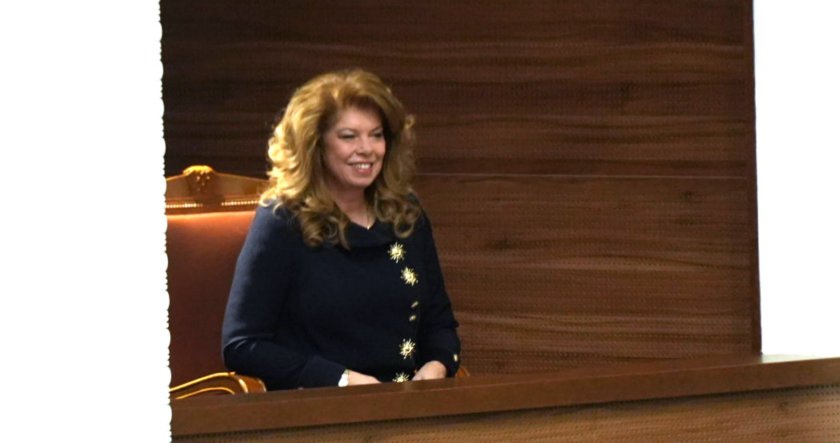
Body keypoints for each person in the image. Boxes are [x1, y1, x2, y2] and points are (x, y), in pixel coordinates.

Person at [221, 69, 461, 390]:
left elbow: (440, 323)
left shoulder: (406, 214)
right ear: (315, 144)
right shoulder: (282, 220)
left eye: (376, 135)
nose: (367, 149)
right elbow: (242, 346)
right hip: (320, 406)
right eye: (349, 136)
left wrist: (438, 364)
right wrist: (342, 380)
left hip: (406, 403)